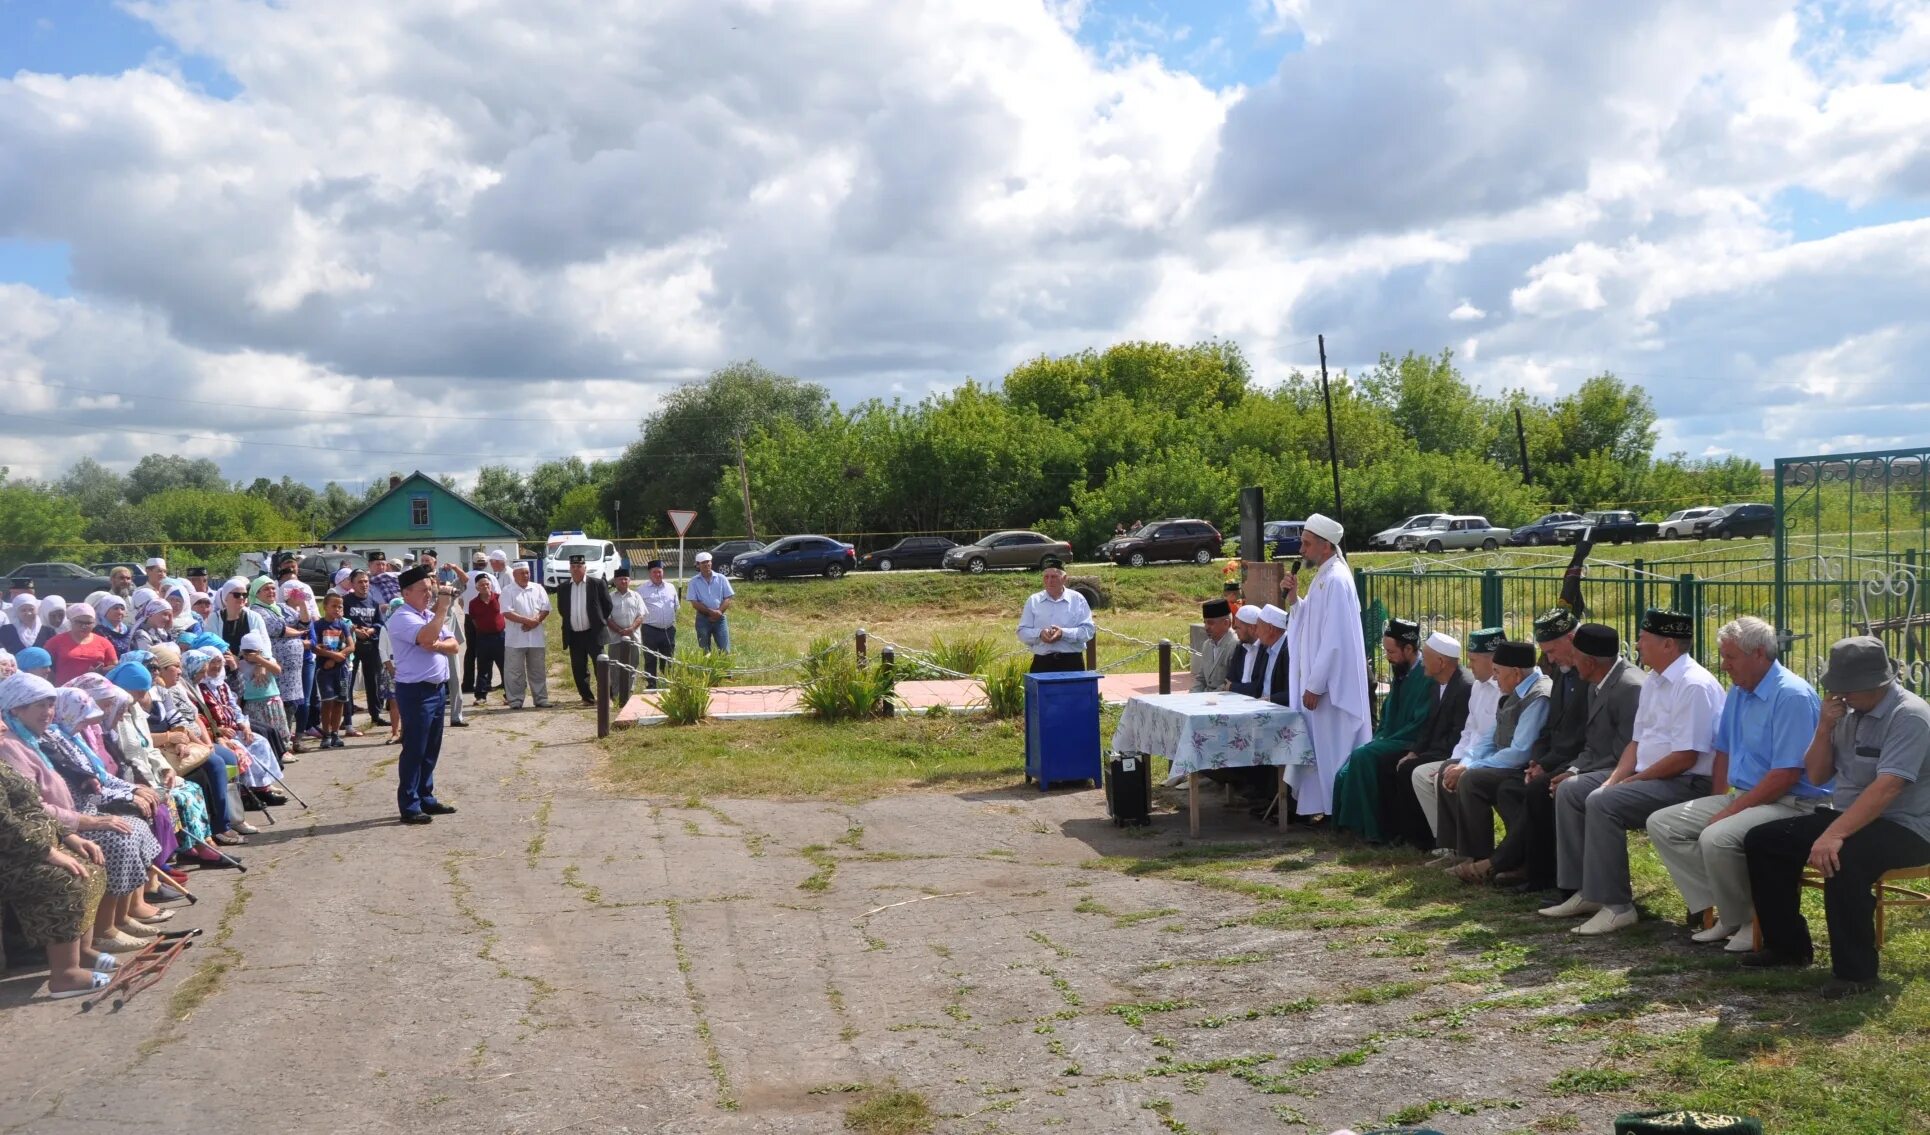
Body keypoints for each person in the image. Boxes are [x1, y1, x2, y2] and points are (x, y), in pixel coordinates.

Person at [1741, 636, 1930, 996]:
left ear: (1877, 683)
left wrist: (1832, 835)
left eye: (1847, 689)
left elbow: (1887, 787)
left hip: (1907, 825)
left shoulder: (1910, 715)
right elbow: (1816, 775)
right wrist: (1824, 727)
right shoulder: (1844, 712)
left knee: (1842, 858)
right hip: (1850, 815)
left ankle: (1856, 974)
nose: (1840, 694)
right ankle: (1788, 947)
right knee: (1765, 841)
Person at [1646, 617, 1826, 952]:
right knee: (1664, 823)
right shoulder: (1741, 691)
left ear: (1758, 654)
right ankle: (1727, 911)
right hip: (1749, 795)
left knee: (1718, 836)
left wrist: (1729, 812)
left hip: (1791, 802)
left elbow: (1786, 774)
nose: (1723, 665)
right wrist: (1719, 801)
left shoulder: (1792, 696)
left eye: (1730, 657)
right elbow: (1724, 751)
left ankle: (1749, 919)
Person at [1541, 608, 1722, 935]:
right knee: (1573, 790)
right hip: (1650, 776)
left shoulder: (1693, 684)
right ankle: (1587, 890)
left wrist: (1631, 781)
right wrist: (1614, 778)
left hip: (1687, 782)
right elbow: (1636, 742)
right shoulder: (1655, 679)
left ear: (1668, 645)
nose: (1637, 644)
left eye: (1643, 638)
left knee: (1602, 802)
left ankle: (1618, 906)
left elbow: (1685, 756)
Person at [1489, 623, 1645, 896]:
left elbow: (1622, 752)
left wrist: (1573, 773)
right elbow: (1586, 742)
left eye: (1574, 657)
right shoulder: (1595, 682)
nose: (1568, 662)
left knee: (1555, 789)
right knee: (1523, 787)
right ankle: (1544, 875)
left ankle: (1572, 886)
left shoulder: (1629, 687)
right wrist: (1563, 767)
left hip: (1619, 770)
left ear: (1589, 660)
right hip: (1586, 762)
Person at [1332, 624, 1461, 844]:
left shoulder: (1426, 674)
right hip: (1393, 737)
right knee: (1347, 767)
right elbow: (1389, 712)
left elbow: (1422, 722)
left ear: (1409, 649)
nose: (1388, 658)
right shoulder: (1402, 671)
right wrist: (1382, 736)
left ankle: (1373, 832)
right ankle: (1351, 827)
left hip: (1411, 740)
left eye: (1391, 652)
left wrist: (1389, 740)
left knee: (1364, 756)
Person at [0, 753, 115, 997]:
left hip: (29, 846)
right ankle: (65, 975)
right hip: (10, 855)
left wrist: (69, 836)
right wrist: (46, 852)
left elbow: (33, 809)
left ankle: (81, 951)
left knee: (91, 865)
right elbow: (3, 824)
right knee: (64, 879)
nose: (2, 726)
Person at [1436, 641, 1551, 877]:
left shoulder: (1538, 696)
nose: (1495, 678)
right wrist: (1465, 763)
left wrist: (1470, 769)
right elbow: (1489, 738)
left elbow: (1520, 752)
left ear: (1516, 673)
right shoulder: (1513, 691)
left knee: (1472, 780)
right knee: (1451, 768)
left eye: (1498, 672)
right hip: (1507, 764)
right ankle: (1468, 853)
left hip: (1526, 768)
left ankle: (1482, 860)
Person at [1282, 513, 1371, 819]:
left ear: (1324, 545)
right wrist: (1295, 600)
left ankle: (1338, 812)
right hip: (1321, 686)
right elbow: (1312, 624)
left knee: (1334, 748)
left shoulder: (1336, 579)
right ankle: (1323, 808)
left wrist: (1315, 684)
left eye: (1306, 544)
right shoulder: (1323, 575)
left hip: (1332, 691)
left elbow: (1334, 640)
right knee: (1321, 749)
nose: (1301, 550)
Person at [1382, 632, 1476, 849]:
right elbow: (1427, 726)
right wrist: (1415, 751)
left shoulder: (1464, 687)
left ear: (1441, 662)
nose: (1422, 661)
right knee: (1389, 763)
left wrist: (1424, 756)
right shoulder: (1436, 683)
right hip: (1434, 749)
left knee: (1408, 769)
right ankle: (1398, 831)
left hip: (1450, 753)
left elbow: (1459, 734)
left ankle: (1422, 838)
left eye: (1426, 656)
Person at [388, 565, 461, 825]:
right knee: (415, 749)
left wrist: (435, 644)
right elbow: (425, 637)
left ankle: (425, 795)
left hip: (436, 688)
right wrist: (442, 609)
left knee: (431, 748)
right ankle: (409, 803)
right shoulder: (402, 617)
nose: (429, 595)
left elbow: (453, 646)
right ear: (406, 593)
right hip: (415, 691)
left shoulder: (429, 615)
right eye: (423, 591)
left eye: (430, 590)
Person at [1016, 559, 1094, 673]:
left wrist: (1063, 633)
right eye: (1046, 577)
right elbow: (1022, 632)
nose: (1049, 581)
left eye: (1054, 577)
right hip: (1042, 663)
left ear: (1064, 578)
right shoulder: (1034, 600)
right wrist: (1039, 633)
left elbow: (1088, 631)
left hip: (1072, 662)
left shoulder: (1077, 599)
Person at [556, 554, 613, 705]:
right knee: (579, 668)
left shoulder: (597, 584)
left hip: (593, 633)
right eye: (573, 567)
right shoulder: (563, 588)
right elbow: (562, 610)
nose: (576, 570)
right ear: (570, 569)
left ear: (585, 568)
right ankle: (587, 697)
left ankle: (606, 697)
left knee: (600, 666)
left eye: (579, 566)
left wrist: (598, 621)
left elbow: (607, 606)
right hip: (574, 635)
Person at [500, 561, 552, 709]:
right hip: (515, 638)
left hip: (536, 638)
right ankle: (515, 700)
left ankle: (541, 699)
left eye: (527, 572)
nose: (525, 575)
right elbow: (506, 611)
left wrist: (535, 621)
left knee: (538, 670)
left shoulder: (538, 588)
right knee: (514, 671)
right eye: (522, 573)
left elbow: (546, 608)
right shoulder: (508, 590)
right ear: (515, 575)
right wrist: (527, 621)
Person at [341, 569, 385, 734]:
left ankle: (376, 714)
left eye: (366, 581)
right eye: (360, 582)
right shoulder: (346, 601)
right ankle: (347, 718)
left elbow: (380, 623)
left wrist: (372, 630)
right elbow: (341, 620)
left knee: (373, 680)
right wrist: (355, 630)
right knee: (349, 682)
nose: (364, 585)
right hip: (352, 646)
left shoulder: (373, 603)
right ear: (352, 584)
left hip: (370, 645)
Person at [309, 593, 353, 748]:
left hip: (341, 669)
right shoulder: (318, 625)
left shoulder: (342, 625)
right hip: (324, 670)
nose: (337, 609)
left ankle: (335, 733)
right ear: (325, 607)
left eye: (340, 606)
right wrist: (331, 655)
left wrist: (336, 657)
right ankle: (325, 734)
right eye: (333, 606)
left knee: (340, 701)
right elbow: (315, 648)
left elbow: (351, 646)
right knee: (327, 701)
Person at [632, 562, 679, 692]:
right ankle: (652, 685)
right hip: (650, 630)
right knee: (650, 659)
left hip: (668, 630)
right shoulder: (641, 590)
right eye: (654, 572)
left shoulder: (671, 587)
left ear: (663, 572)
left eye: (660, 572)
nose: (658, 575)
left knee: (668, 658)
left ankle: (669, 683)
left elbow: (675, 606)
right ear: (650, 573)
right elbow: (638, 611)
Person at [48, 602, 118, 686]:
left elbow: (115, 668)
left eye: (88, 623)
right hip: (65, 691)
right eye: (79, 622)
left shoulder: (104, 643)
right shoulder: (55, 642)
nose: (84, 626)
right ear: (71, 621)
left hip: (96, 691)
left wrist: (101, 671)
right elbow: (46, 668)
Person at [464, 572, 505, 706]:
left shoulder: (500, 598)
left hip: (500, 636)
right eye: (482, 585)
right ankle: (481, 696)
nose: (485, 587)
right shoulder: (473, 603)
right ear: (477, 588)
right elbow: (474, 621)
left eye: (487, 584)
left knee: (505, 666)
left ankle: (510, 694)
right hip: (483, 638)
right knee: (482, 668)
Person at [687, 552, 735, 652]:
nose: (706, 564)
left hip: (720, 618)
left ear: (711, 563)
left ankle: (724, 668)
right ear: (698, 565)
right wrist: (710, 612)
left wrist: (719, 612)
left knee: (725, 650)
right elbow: (694, 602)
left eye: (708, 562)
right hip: (702, 619)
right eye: (703, 562)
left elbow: (728, 597)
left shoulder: (721, 578)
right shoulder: (693, 581)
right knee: (705, 650)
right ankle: (707, 667)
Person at [1189, 599, 1238, 693]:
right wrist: (1192, 697)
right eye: (1205, 622)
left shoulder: (1236, 645)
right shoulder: (1207, 645)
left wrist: (1207, 698)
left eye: (1210, 623)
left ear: (1226, 623)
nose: (1206, 627)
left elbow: (1230, 682)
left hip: (1224, 700)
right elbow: (1201, 678)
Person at [1250, 605, 1291, 705]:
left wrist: (1270, 699)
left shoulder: (1289, 650)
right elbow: (1257, 683)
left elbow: (1292, 691)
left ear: (1270, 628)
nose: (1256, 632)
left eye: (1258, 627)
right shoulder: (1265, 647)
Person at [1225, 604, 1264, 697]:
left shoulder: (1266, 650)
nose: (1235, 631)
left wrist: (1234, 687)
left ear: (1252, 628)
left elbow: (1259, 687)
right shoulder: (1240, 647)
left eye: (1238, 628)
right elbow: (1229, 680)